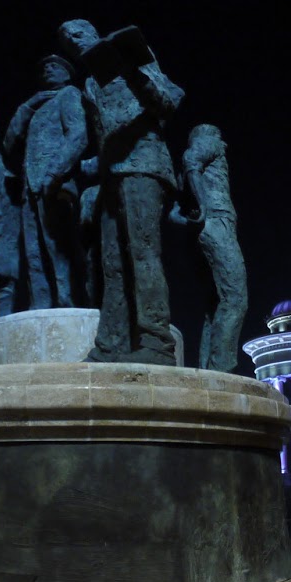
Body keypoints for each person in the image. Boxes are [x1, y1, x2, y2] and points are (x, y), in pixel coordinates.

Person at [58, 20, 183, 365]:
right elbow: (100, 138)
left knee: (143, 255)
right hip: (110, 176)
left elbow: (168, 102)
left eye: (78, 34)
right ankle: (111, 344)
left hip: (143, 164)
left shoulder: (135, 60)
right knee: (111, 263)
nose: (74, 42)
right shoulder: (89, 84)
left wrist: (133, 73)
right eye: (68, 42)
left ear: (94, 33)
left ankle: (157, 341)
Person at [2, 54, 88, 308]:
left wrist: (55, 173)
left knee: (59, 246)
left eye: (55, 66)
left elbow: (78, 135)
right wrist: (27, 107)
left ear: (68, 73)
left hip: (55, 184)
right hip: (30, 185)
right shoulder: (36, 106)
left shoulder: (70, 94)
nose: (49, 69)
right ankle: (39, 304)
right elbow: (8, 143)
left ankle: (68, 302)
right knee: (33, 251)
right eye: (45, 67)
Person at [169, 124, 248, 373]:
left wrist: (191, 215)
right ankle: (221, 369)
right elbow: (192, 158)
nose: (223, 142)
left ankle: (209, 368)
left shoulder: (187, 173)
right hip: (217, 222)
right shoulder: (210, 142)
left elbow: (172, 211)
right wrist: (203, 206)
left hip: (205, 229)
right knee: (236, 298)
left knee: (215, 303)